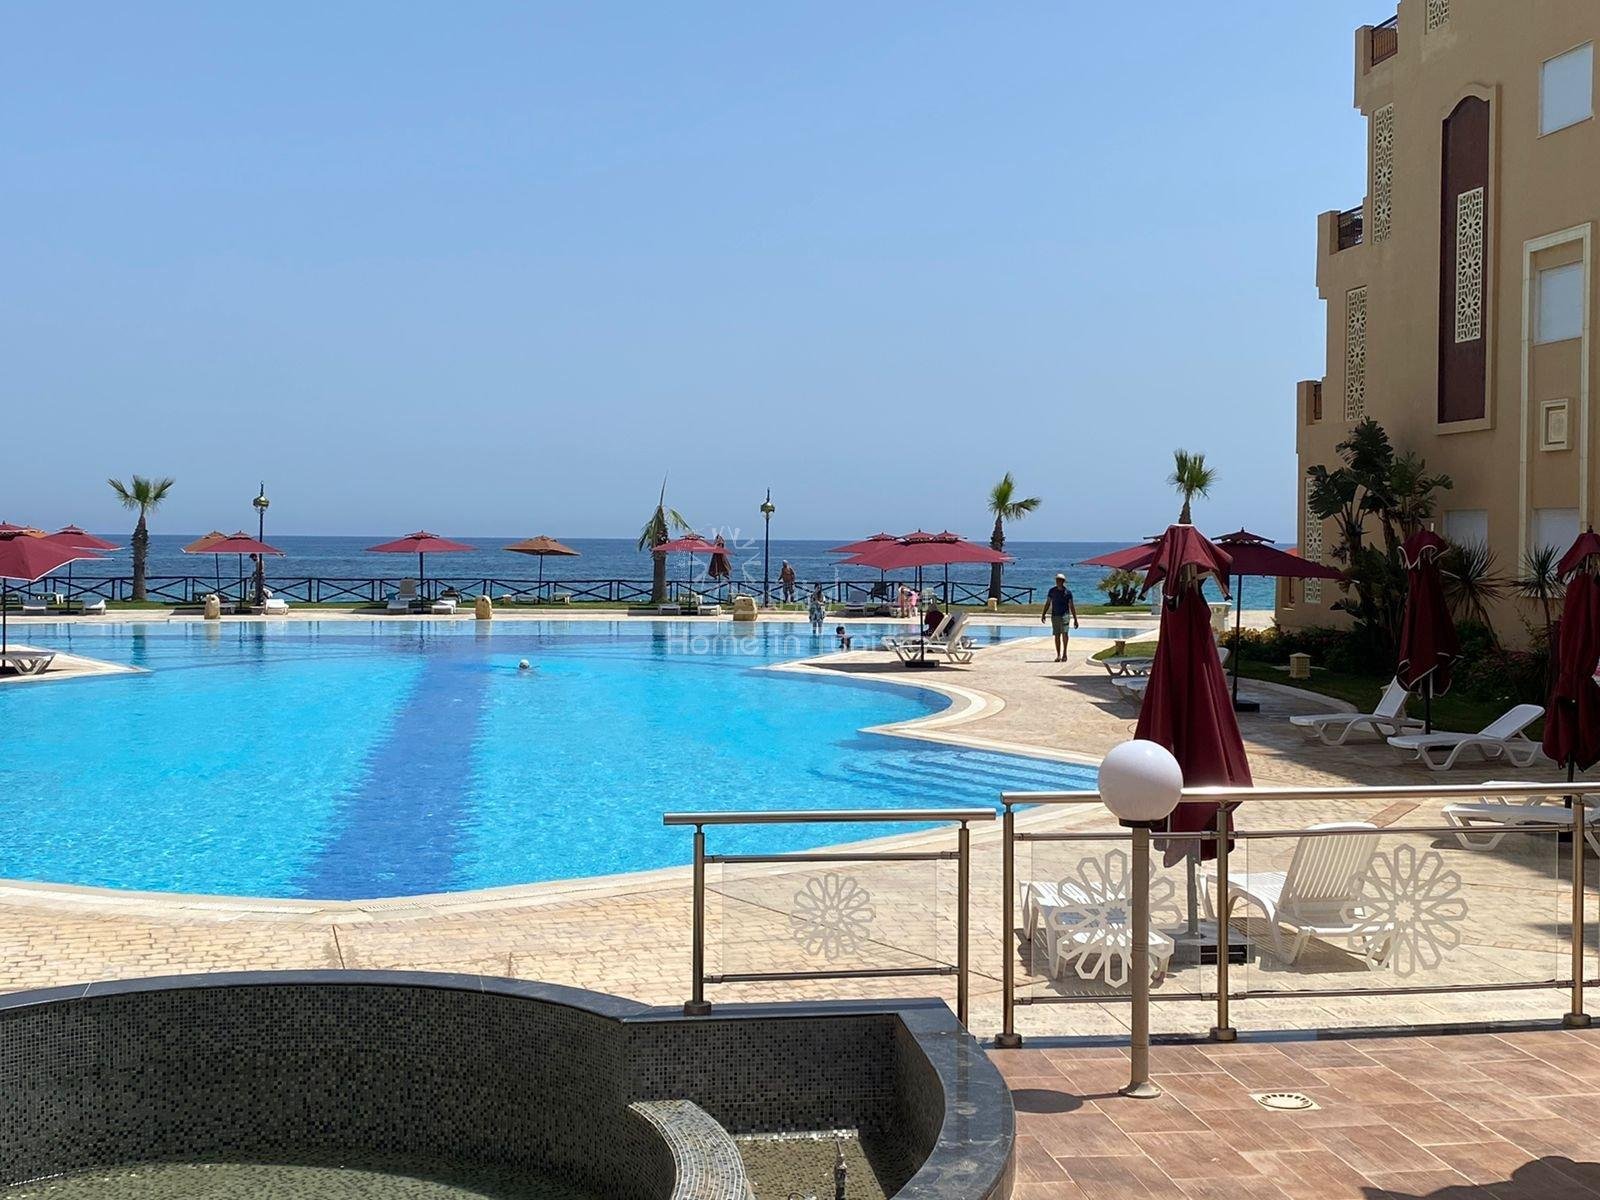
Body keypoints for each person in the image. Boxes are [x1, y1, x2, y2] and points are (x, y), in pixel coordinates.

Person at [1041, 573, 1080, 662]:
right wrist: (1043, 614)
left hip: (1065, 615)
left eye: (1060, 580)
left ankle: (1064, 653)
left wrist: (1075, 619)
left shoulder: (1067, 592)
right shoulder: (1052, 591)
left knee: (1065, 633)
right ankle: (1058, 654)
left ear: (1063, 581)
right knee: (1057, 635)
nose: (1058, 582)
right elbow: (1048, 603)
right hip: (1055, 615)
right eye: (1057, 580)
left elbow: (1071, 606)